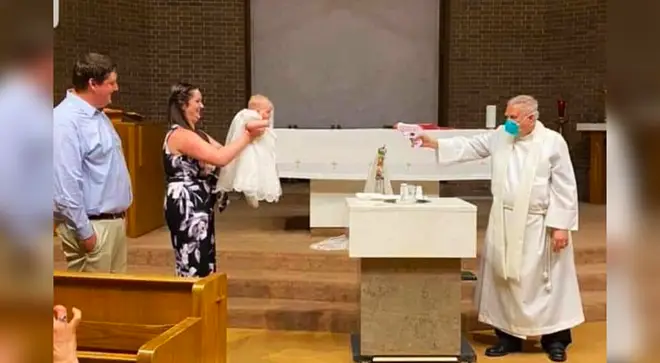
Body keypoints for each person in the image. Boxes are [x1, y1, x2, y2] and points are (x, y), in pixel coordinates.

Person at [416, 95, 583, 362]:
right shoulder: (501, 136)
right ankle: (508, 338)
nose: (508, 122)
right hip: (504, 221)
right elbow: (471, 146)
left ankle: (555, 341)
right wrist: (432, 141)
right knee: (504, 280)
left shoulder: (552, 142)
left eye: (513, 117)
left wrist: (561, 226)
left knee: (546, 284)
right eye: (506, 116)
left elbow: (564, 185)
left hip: (538, 223)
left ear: (531, 118)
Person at [163, 83, 267, 277]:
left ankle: (204, 304)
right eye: (197, 101)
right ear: (183, 105)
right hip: (187, 205)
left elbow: (227, 153)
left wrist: (251, 121)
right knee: (193, 261)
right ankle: (193, 304)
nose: (202, 106)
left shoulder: (198, 135)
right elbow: (220, 158)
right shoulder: (180, 135)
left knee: (204, 259)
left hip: (200, 205)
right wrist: (247, 136)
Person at [53, 52, 132, 273]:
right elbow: (65, 183)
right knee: (90, 305)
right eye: (111, 83)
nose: (116, 88)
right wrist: (86, 234)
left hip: (112, 223)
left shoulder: (99, 116)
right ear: (93, 84)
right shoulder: (64, 122)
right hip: (92, 226)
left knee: (115, 301)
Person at [217, 94, 281, 208]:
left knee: (260, 172)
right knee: (249, 171)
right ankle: (250, 192)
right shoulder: (249, 116)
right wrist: (266, 123)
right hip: (250, 152)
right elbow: (250, 125)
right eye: (267, 112)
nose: (269, 115)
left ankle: (255, 192)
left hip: (260, 152)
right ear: (256, 111)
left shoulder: (260, 118)